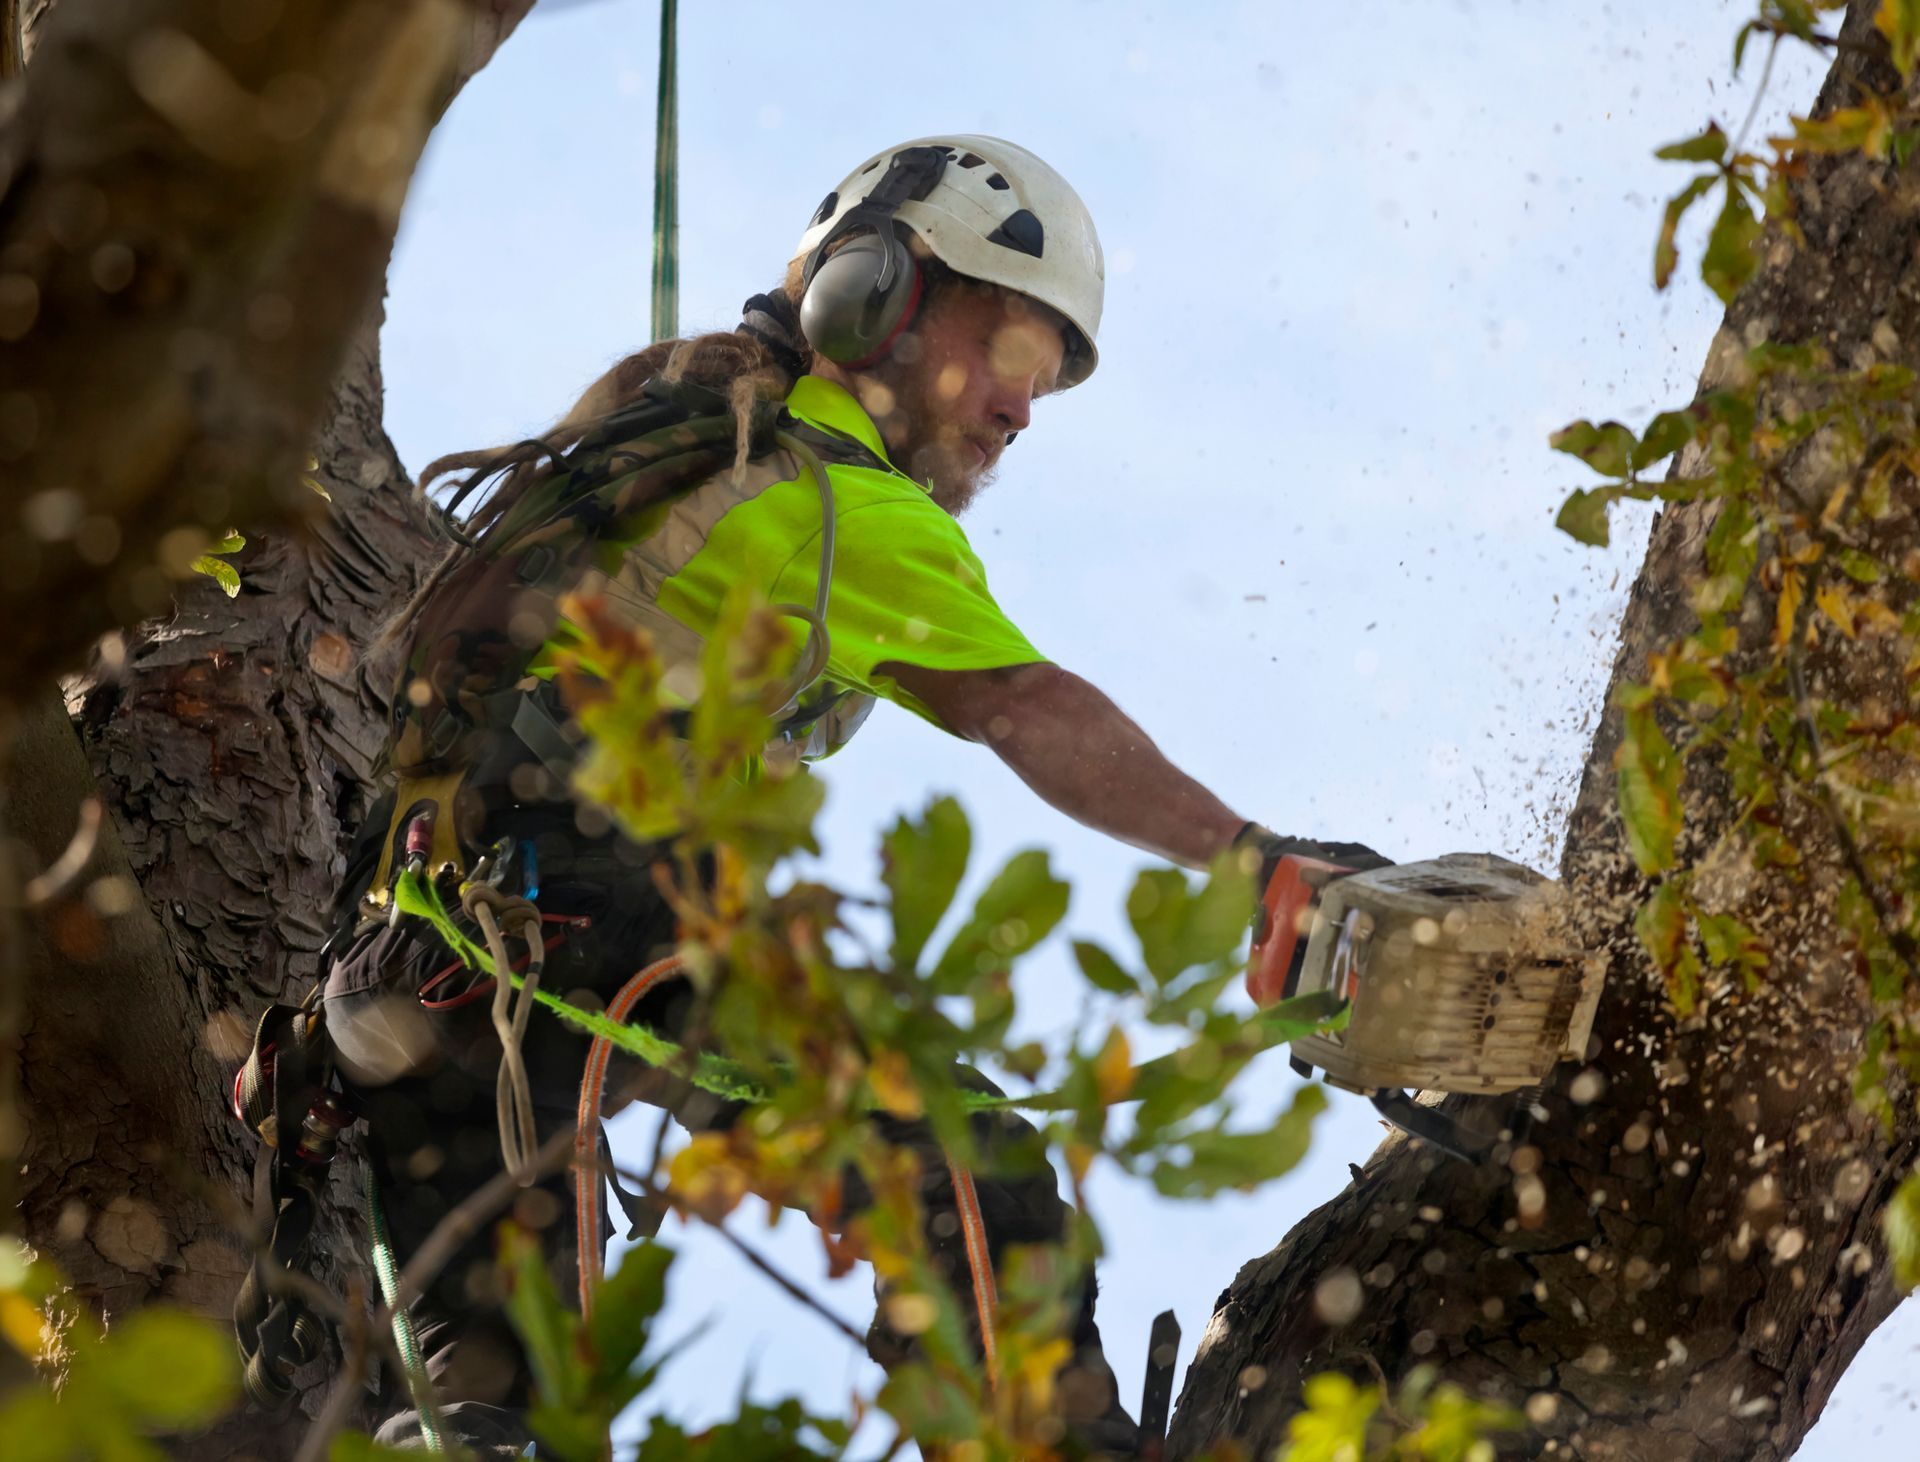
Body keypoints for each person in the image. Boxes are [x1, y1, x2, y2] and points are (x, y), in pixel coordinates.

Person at [320, 135, 1380, 1458]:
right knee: (966, 1161)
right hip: (587, 935)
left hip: (406, 985)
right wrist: (1254, 856)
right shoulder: (824, 490)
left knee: (472, 1412)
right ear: (880, 294)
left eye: (1044, 386)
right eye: (1011, 357)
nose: (1020, 413)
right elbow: (1022, 706)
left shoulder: (668, 449)